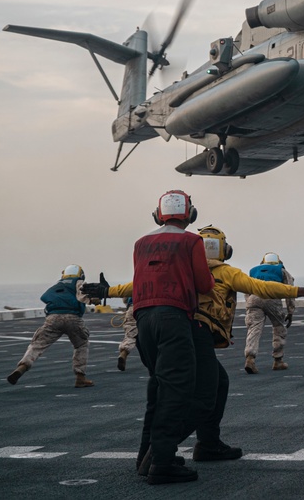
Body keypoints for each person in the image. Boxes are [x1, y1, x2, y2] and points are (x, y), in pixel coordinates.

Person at [86, 223, 304, 479]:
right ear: (224, 249)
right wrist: (303, 291)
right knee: (204, 397)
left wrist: (106, 291)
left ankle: (203, 444)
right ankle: (162, 451)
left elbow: (134, 285)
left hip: (167, 331)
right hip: (196, 334)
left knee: (173, 391)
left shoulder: (178, 269)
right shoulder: (225, 272)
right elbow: (260, 287)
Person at [85, 190, 215, 485]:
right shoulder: (192, 240)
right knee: (179, 391)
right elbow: (205, 284)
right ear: (189, 215)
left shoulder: (141, 243)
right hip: (174, 319)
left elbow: (140, 281)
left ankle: (147, 457)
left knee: (158, 388)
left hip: (144, 320)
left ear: (157, 215)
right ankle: (163, 462)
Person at [7, 264, 94, 388]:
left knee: (37, 345)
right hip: (73, 318)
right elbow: (84, 296)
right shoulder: (79, 283)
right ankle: (80, 378)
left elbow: (44, 297)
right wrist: (94, 299)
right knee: (81, 344)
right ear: (80, 274)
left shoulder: (57, 285)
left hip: (53, 319)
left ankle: (23, 366)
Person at [244, 252, 297, 373]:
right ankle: (278, 361)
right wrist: (290, 311)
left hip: (254, 298)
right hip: (272, 298)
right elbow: (290, 291)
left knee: (254, 329)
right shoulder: (281, 271)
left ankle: (250, 359)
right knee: (279, 328)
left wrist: (249, 305)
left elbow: (245, 288)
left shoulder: (253, 271)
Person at [116, 297, 137, 371]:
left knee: (130, 336)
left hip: (132, 308)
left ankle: (123, 353)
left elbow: (125, 298)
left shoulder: (133, 285)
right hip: (148, 309)